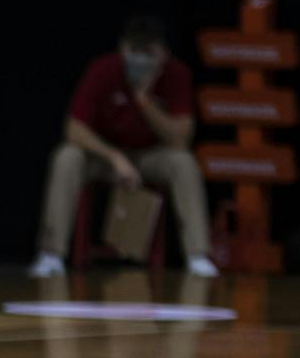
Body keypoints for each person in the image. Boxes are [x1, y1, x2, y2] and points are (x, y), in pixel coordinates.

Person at [31, 15, 214, 279]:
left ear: (163, 53)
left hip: (150, 156)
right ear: (122, 48)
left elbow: (181, 138)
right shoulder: (103, 70)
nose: (139, 60)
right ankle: (51, 254)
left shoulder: (177, 74)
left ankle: (198, 256)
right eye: (133, 51)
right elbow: (74, 128)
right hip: (106, 156)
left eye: (147, 53)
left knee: (183, 162)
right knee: (67, 156)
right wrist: (115, 157)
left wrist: (144, 101)